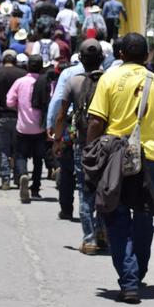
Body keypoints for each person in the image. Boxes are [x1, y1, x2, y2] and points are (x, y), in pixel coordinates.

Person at [85, 33, 154, 304]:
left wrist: (91, 157)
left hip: (115, 158)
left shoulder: (109, 80)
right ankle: (138, 270)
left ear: (120, 54)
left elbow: (95, 123)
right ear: (147, 56)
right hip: (150, 157)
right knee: (145, 214)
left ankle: (128, 278)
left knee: (115, 215)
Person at [53, 39, 108, 254]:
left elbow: (61, 116)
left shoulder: (73, 83)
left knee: (86, 193)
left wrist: (57, 141)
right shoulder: (110, 81)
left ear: (81, 60)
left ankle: (90, 239)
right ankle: (104, 232)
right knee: (106, 190)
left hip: (83, 147)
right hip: (108, 146)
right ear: (102, 58)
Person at [7, 54, 49, 204]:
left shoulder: (20, 82)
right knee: (38, 160)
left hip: (23, 127)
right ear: (42, 66)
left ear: (27, 66)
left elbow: (9, 102)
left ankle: (23, 174)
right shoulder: (45, 82)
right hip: (40, 128)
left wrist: (20, 105)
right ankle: (35, 189)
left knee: (20, 156)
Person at [0, 50, 27, 190]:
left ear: (3, 61)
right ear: (15, 61)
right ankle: (18, 176)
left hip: (1, 118)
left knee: (3, 150)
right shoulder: (22, 74)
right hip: (19, 118)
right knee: (17, 149)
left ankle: (5, 179)